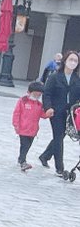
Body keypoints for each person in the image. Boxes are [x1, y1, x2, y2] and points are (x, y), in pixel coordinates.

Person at [39, 50, 80, 178]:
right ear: (65, 61)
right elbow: (47, 94)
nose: (73, 62)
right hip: (56, 112)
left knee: (61, 136)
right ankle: (60, 168)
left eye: (75, 60)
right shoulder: (54, 76)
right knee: (58, 137)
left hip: (71, 113)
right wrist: (48, 107)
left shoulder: (77, 79)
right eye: (71, 59)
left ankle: (45, 156)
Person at [12, 80, 49, 171]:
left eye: (38, 95)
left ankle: (21, 159)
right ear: (29, 92)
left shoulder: (39, 105)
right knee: (24, 145)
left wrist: (48, 114)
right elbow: (16, 113)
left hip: (33, 130)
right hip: (23, 129)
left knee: (28, 146)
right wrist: (16, 124)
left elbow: (42, 115)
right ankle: (22, 161)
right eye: (35, 94)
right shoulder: (22, 101)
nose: (36, 97)